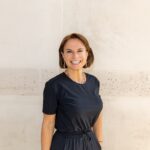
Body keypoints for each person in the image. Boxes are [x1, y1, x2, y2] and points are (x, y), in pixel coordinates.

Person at [41, 33, 103, 150]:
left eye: (80, 50)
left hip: (91, 143)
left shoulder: (94, 82)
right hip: (66, 145)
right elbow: (48, 124)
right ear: (62, 55)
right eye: (69, 51)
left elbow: (98, 113)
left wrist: (98, 142)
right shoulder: (54, 85)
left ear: (87, 53)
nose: (75, 56)